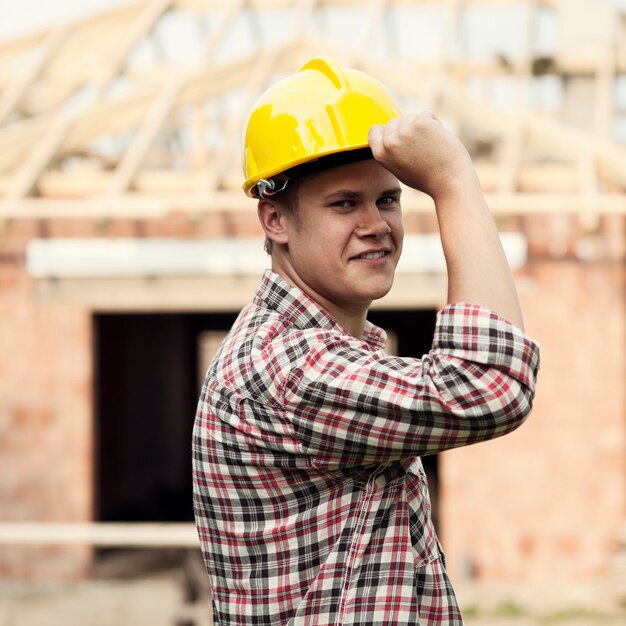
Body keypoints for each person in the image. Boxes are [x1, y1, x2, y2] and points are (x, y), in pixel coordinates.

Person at [192, 56, 540, 625]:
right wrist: (453, 180)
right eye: (344, 203)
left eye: (388, 199)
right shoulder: (284, 364)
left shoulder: (331, 353)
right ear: (274, 219)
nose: (376, 223)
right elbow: (490, 386)